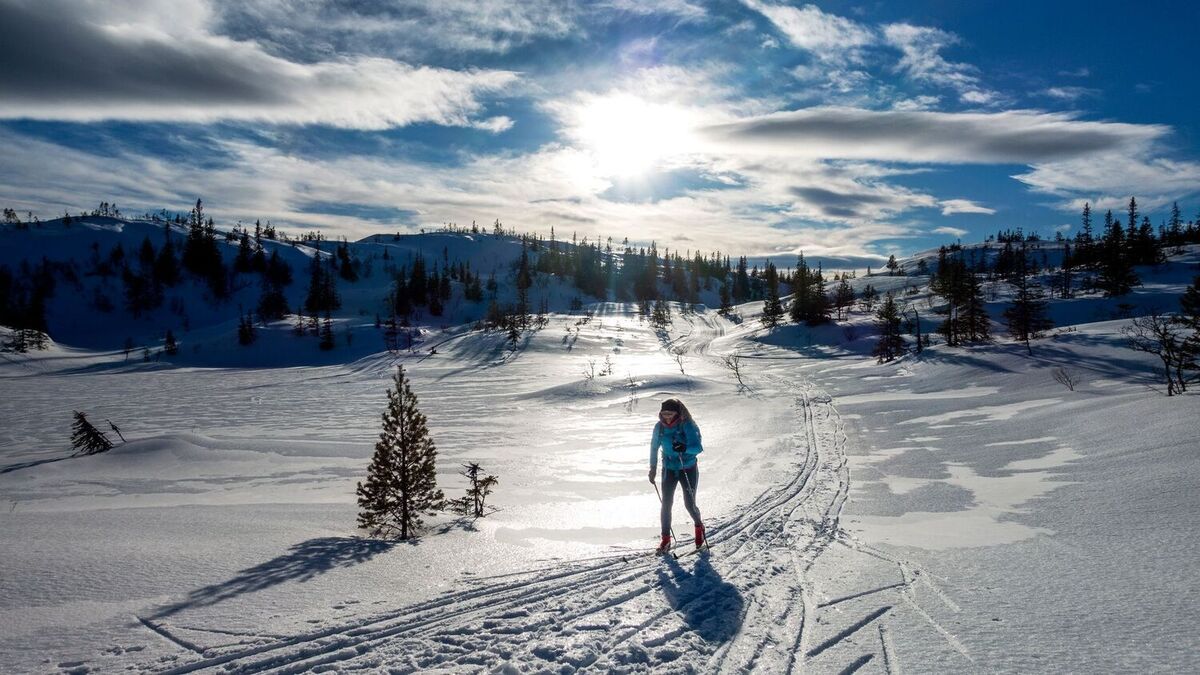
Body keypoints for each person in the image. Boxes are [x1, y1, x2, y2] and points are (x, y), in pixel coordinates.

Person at [648, 398, 705, 553]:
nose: (667, 417)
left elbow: (698, 447)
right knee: (666, 504)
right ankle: (665, 540)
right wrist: (653, 468)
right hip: (668, 469)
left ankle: (699, 528)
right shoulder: (659, 427)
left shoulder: (687, 424)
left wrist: (684, 448)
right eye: (664, 413)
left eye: (670, 413)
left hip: (687, 468)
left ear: (677, 413)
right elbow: (654, 447)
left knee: (689, 504)